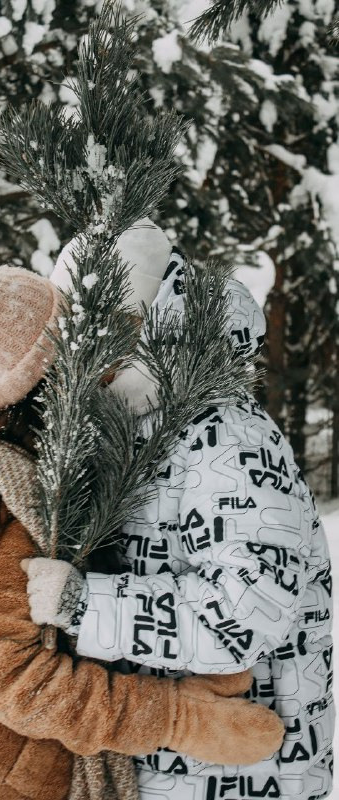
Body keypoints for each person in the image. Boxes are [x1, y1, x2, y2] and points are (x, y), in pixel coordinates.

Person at [0, 263, 284, 800]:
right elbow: (22, 687)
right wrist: (178, 718)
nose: (101, 366)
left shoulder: (33, 472)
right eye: (78, 351)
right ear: (36, 390)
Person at [24, 223, 334, 800]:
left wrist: (85, 604)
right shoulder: (130, 421)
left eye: (106, 324)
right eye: (71, 327)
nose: (81, 346)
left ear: (153, 322)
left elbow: (246, 611)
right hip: (165, 766)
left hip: (247, 772)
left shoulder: (227, 437)